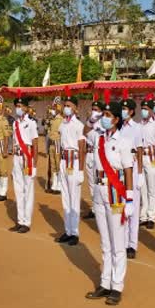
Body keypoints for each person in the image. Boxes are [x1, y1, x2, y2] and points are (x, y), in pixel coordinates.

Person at [85, 91, 134, 306]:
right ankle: (105, 282)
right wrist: (93, 118)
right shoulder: (98, 137)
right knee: (105, 242)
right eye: (102, 114)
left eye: (107, 115)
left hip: (116, 193)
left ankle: (117, 285)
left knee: (118, 242)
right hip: (99, 190)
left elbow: (128, 169)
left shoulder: (123, 141)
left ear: (116, 119)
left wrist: (130, 198)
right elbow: (85, 130)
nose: (103, 117)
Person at [55, 88, 86, 246]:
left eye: (69, 105)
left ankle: (75, 232)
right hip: (64, 162)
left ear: (75, 108)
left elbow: (82, 149)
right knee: (65, 198)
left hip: (74, 163)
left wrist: (81, 170)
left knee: (74, 199)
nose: (66, 107)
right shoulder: (62, 124)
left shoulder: (79, 125)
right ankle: (67, 230)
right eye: (65, 105)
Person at [119, 90, 144, 259]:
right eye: (122, 108)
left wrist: (140, 173)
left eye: (126, 109)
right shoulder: (117, 126)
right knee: (120, 207)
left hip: (133, 171)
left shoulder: (137, 128)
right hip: (118, 171)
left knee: (132, 209)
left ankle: (131, 244)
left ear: (132, 111)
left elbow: (140, 151)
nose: (123, 111)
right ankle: (122, 240)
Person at [10, 92, 39, 233]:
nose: (18, 108)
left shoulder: (31, 123)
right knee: (18, 189)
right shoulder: (15, 123)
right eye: (16, 106)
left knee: (28, 190)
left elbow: (35, 144)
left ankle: (26, 222)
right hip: (17, 157)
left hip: (28, 158)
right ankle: (20, 220)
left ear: (27, 108)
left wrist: (34, 165)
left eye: (20, 106)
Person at [140, 93, 155, 230]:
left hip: (151, 158)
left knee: (151, 189)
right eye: (142, 108)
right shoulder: (138, 125)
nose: (144, 111)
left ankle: (151, 217)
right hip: (140, 158)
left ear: (150, 110)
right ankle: (143, 216)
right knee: (142, 188)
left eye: (146, 109)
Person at [83, 94, 105, 220]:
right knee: (92, 183)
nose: (94, 112)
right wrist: (90, 120)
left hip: (100, 155)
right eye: (93, 109)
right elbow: (84, 132)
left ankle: (101, 207)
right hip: (90, 155)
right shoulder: (90, 122)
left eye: (97, 110)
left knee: (100, 183)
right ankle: (94, 208)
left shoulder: (104, 124)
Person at [46, 98, 63, 194]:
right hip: (51, 144)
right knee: (53, 165)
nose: (52, 109)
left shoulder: (61, 119)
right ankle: (54, 183)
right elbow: (48, 130)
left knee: (58, 164)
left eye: (54, 107)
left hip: (57, 143)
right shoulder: (52, 119)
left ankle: (59, 184)